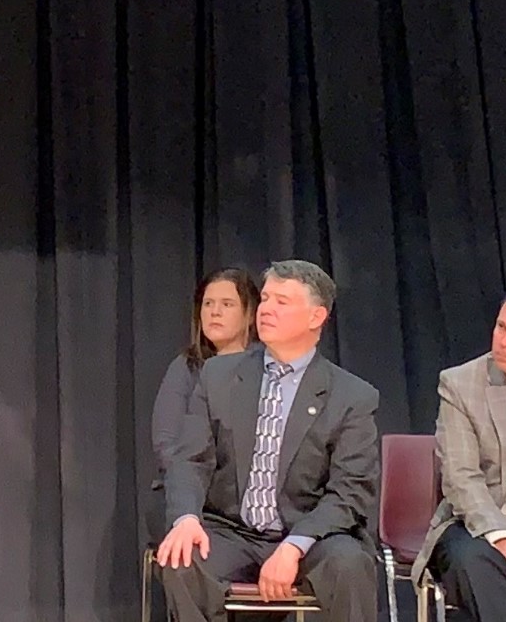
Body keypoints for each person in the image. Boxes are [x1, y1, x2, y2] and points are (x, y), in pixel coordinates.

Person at [155, 259, 379, 622]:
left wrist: (294, 546)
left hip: (310, 534)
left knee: (350, 564)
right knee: (183, 559)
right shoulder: (219, 376)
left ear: (316, 317)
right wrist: (185, 517)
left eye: (282, 302)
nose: (266, 309)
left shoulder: (352, 396)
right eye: (266, 299)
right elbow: (190, 459)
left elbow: (351, 491)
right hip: (231, 530)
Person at [413, 282, 506, 620]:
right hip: (479, 524)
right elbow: (461, 479)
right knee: (472, 561)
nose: (504, 341)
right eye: (501, 327)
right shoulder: (460, 384)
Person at [149, 269, 259, 536]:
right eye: (208, 304)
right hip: (197, 501)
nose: (214, 312)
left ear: (250, 314)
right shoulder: (187, 368)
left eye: (227, 304)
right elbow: (167, 442)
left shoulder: (268, 369)